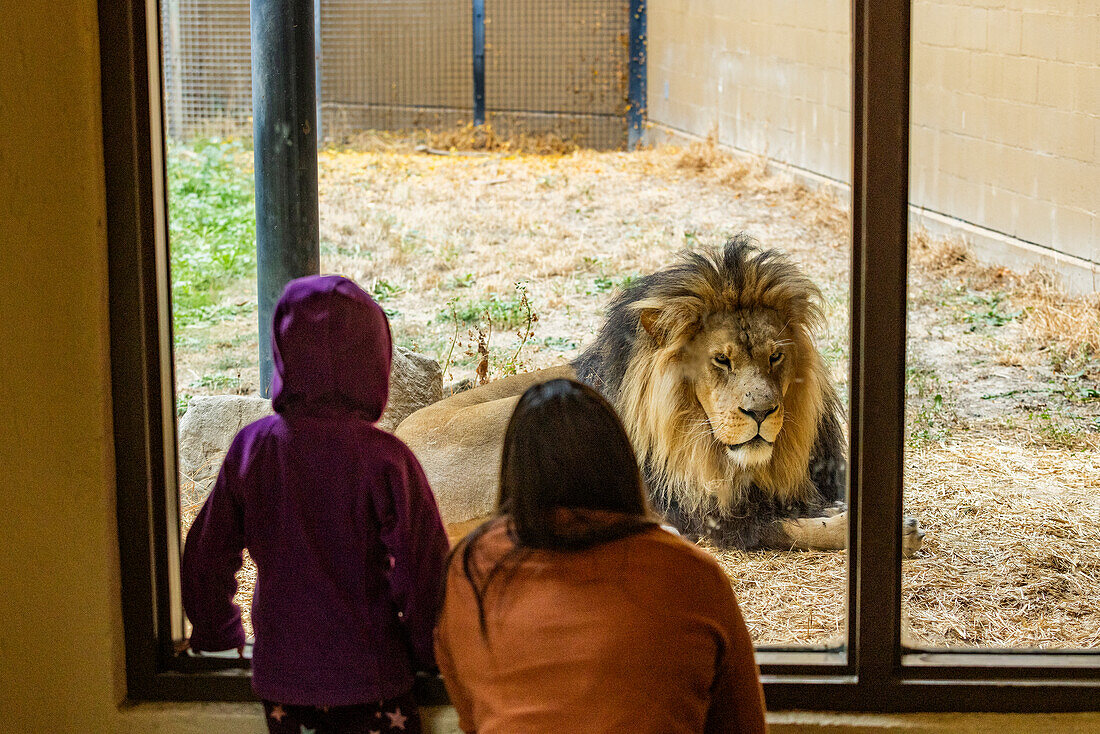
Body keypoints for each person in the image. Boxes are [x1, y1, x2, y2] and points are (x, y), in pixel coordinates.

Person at [182, 275, 450, 734]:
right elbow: (426, 571)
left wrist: (220, 638)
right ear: (376, 361)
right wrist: (426, 655)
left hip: (284, 683)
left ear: (282, 355)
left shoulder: (254, 449)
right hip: (377, 679)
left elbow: (206, 557)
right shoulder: (387, 459)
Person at [434, 378, 767, 734]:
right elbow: (743, 724)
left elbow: (473, 715)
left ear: (515, 471)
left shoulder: (469, 568)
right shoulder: (692, 572)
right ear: (623, 465)